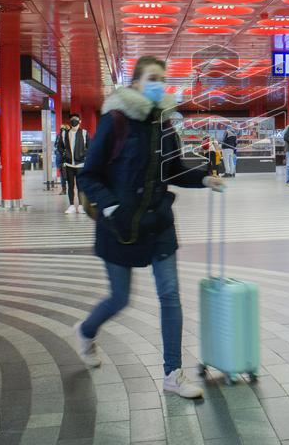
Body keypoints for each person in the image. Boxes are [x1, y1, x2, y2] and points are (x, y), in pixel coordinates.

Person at [74, 55, 223, 399]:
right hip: (119, 226)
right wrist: (110, 206)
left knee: (170, 296)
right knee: (120, 298)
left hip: (158, 223)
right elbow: (89, 174)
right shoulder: (115, 122)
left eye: (163, 78)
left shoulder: (164, 125)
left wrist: (204, 178)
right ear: (137, 82)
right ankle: (85, 330)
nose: (160, 84)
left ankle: (173, 373)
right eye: (153, 78)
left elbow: (174, 171)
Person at [58, 113, 90, 214]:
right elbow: (60, 146)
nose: (74, 120)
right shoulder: (64, 133)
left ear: (79, 121)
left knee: (81, 186)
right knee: (70, 185)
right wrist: (64, 154)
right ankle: (71, 205)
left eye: (76, 119)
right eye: (72, 119)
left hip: (81, 165)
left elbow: (90, 147)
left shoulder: (84, 133)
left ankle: (81, 206)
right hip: (68, 165)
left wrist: (83, 154)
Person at [56, 123, 69, 195]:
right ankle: (65, 190)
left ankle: (64, 190)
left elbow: (56, 146)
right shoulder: (69, 135)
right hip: (66, 158)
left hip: (62, 158)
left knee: (62, 174)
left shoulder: (59, 136)